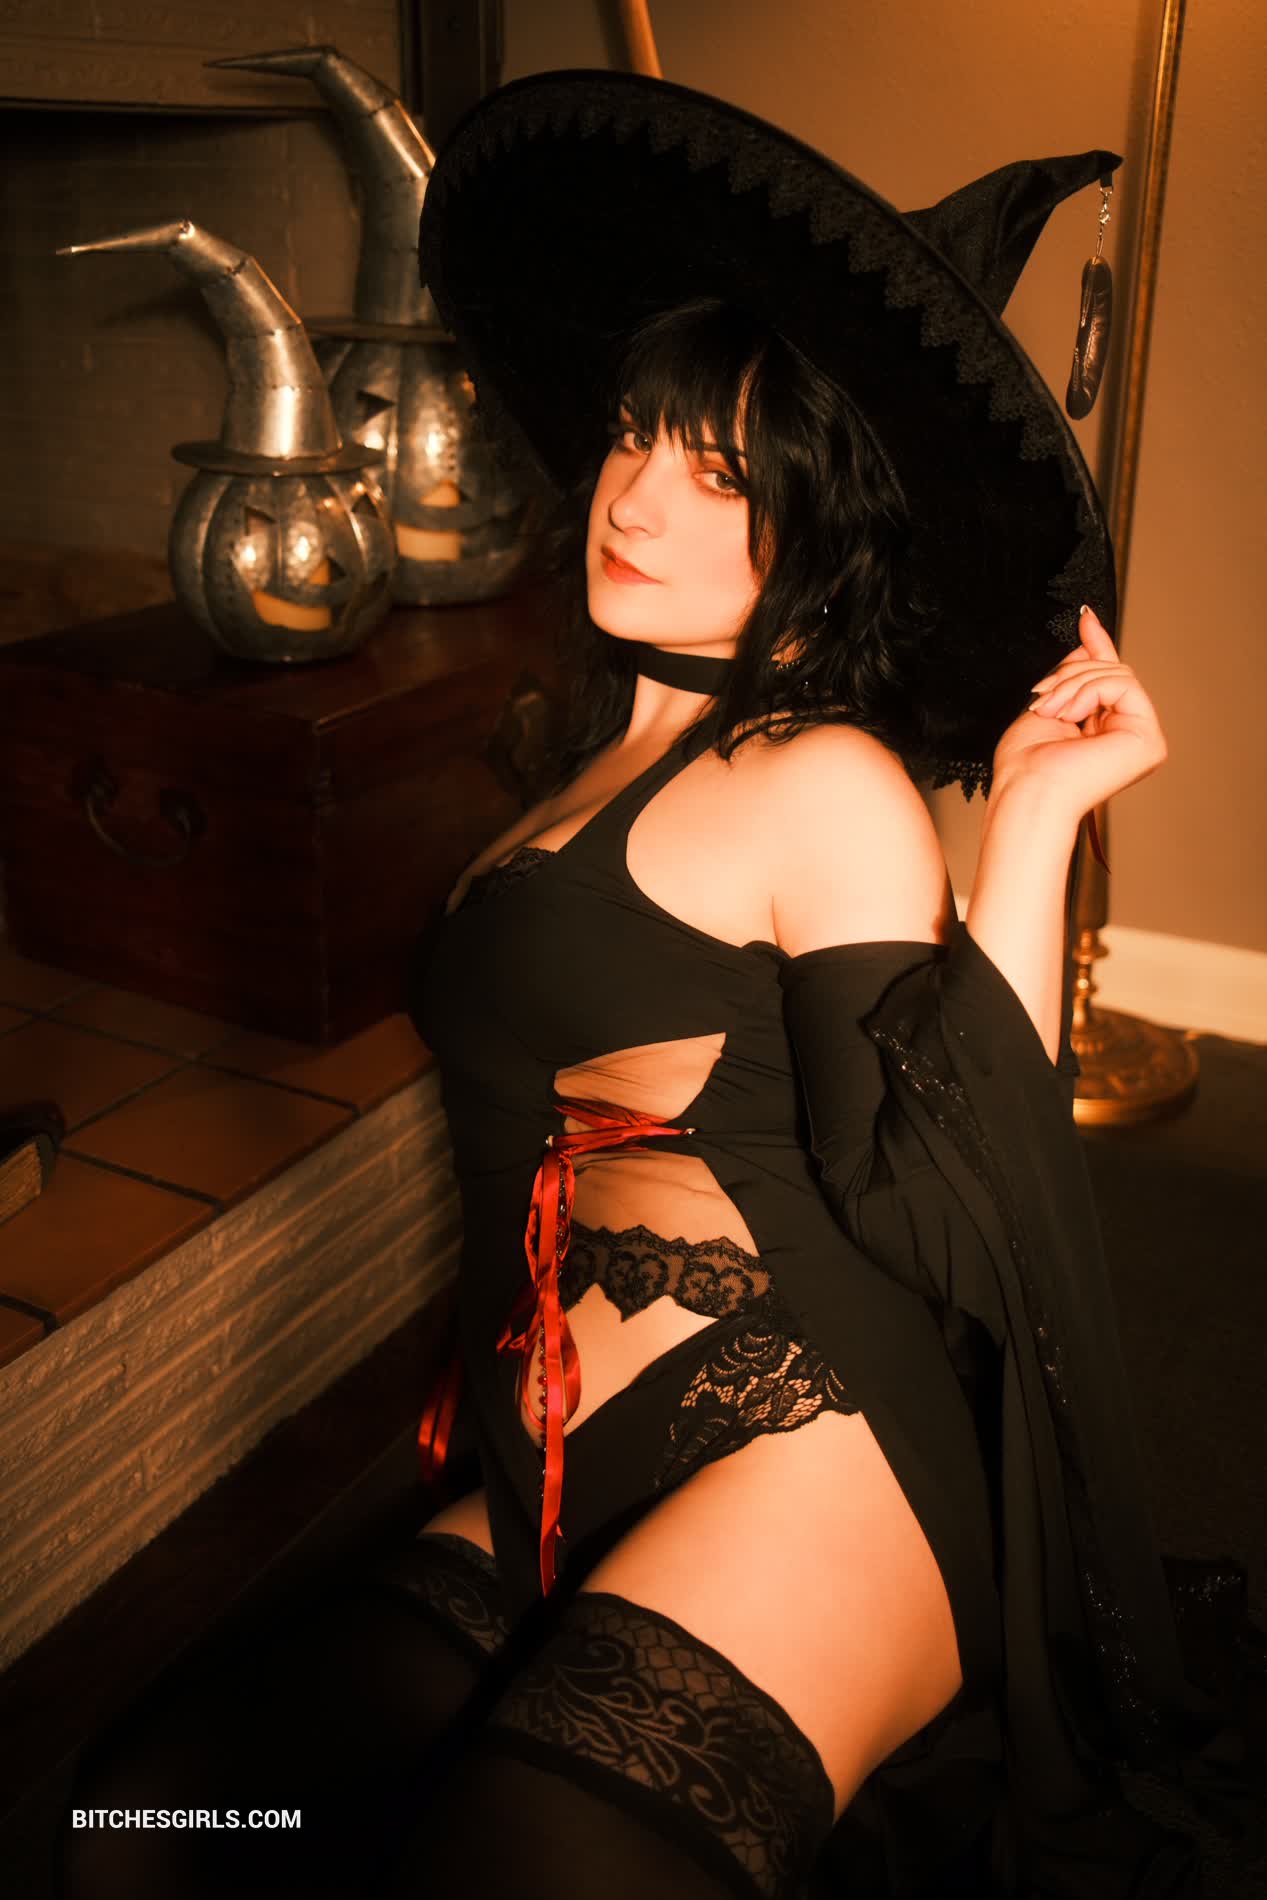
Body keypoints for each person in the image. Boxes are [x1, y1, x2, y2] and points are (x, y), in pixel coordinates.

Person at [62, 72, 1254, 1900]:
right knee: (141, 1826)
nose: (636, 495)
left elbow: (952, 1207)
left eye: (722, 475)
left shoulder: (820, 776)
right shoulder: (585, 758)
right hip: (553, 1449)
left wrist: (1029, 830)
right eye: (637, 433)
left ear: (818, 538)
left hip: (807, 1425)